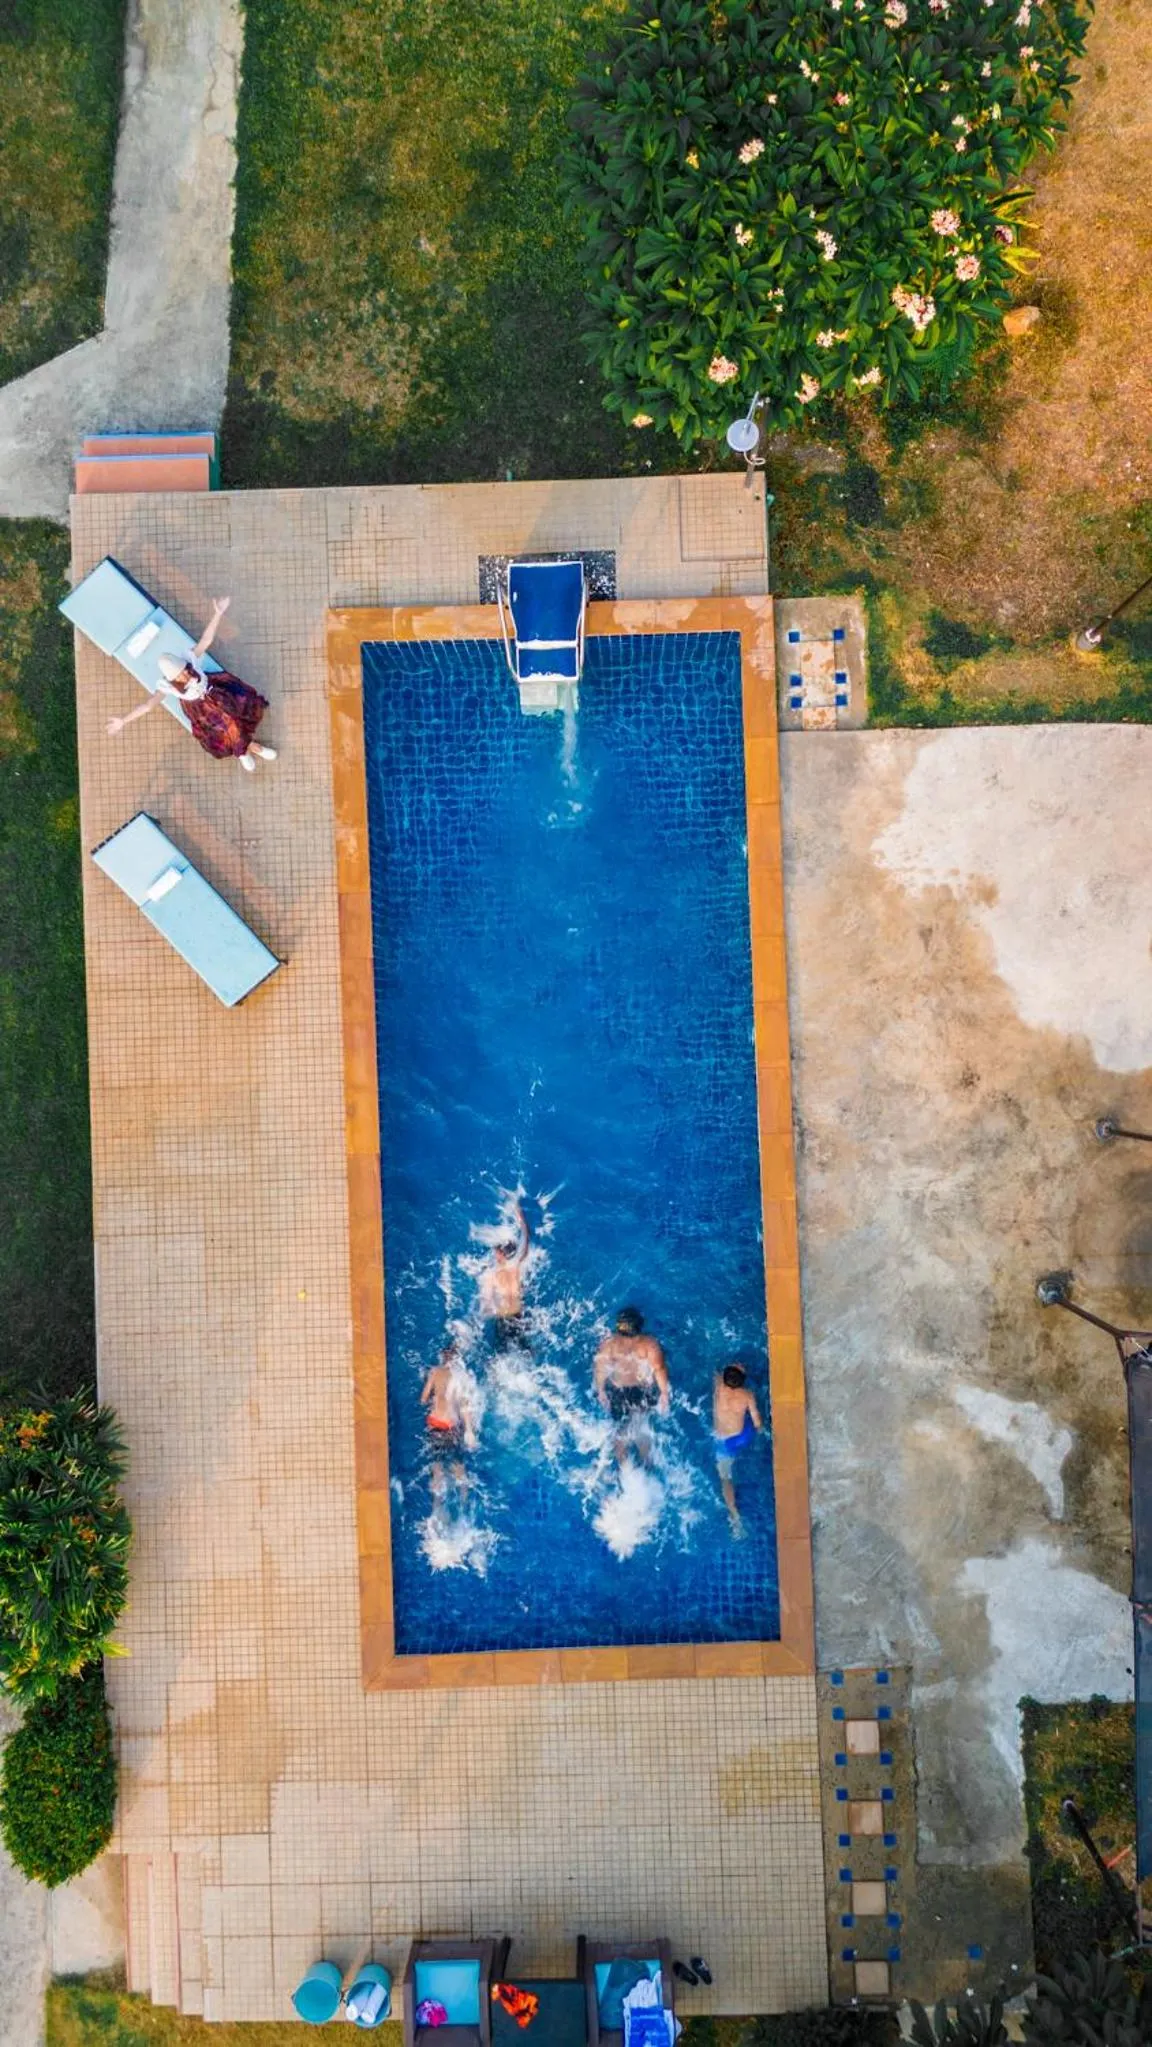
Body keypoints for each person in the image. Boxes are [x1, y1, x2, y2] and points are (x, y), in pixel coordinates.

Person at [106, 596, 277, 772]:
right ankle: (251, 750)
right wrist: (124, 721)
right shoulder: (167, 686)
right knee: (228, 729)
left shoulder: (189, 659)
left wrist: (217, 614)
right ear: (172, 679)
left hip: (217, 692)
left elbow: (206, 640)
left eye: (185, 670)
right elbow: (148, 706)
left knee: (237, 718)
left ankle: (244, 752)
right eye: (180, 676)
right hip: (202, 710)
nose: (187, 674)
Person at [594, 1306, 670, 1466]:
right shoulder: (649, 1344)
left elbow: (601, 1369)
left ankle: (624, 1468)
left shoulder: (609, 1344)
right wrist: (664, 1393)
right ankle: (647, 1465)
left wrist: (601, 1390)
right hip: (642, 1392)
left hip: (618, 1392)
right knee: (641, 1428)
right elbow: (659, 1369)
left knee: (620, 1429)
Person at [420, 1338, 477, 1500]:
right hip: (451, 1427)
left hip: (435, 1424)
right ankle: (464, 1505)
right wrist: (469, 1430)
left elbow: (423, 1399)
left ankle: (437, 1509)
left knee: (437, 1469)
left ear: (442, 1356)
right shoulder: (461, 1377)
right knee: (459, 1468)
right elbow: (465, 1405)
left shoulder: (435, 1371)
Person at [713, 1361, 762, 1537]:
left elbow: (718, 1373)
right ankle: (734, 1513)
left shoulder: (719, 1386)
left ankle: (734, 1515)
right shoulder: (747, 1395)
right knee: (751, 1427)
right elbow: (757, 1422)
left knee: (725, 1478)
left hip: (723, 1442)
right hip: (740, 1437)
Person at [478, 1201, 531, 1352]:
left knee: (500, 1355)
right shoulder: (517, 1268)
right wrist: (522, 1218)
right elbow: (526, 1239)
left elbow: (486, 1304)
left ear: (500, 1254)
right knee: (527, 1350)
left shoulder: (491, 1275)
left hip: (503, 1321)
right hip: (520, 1317)